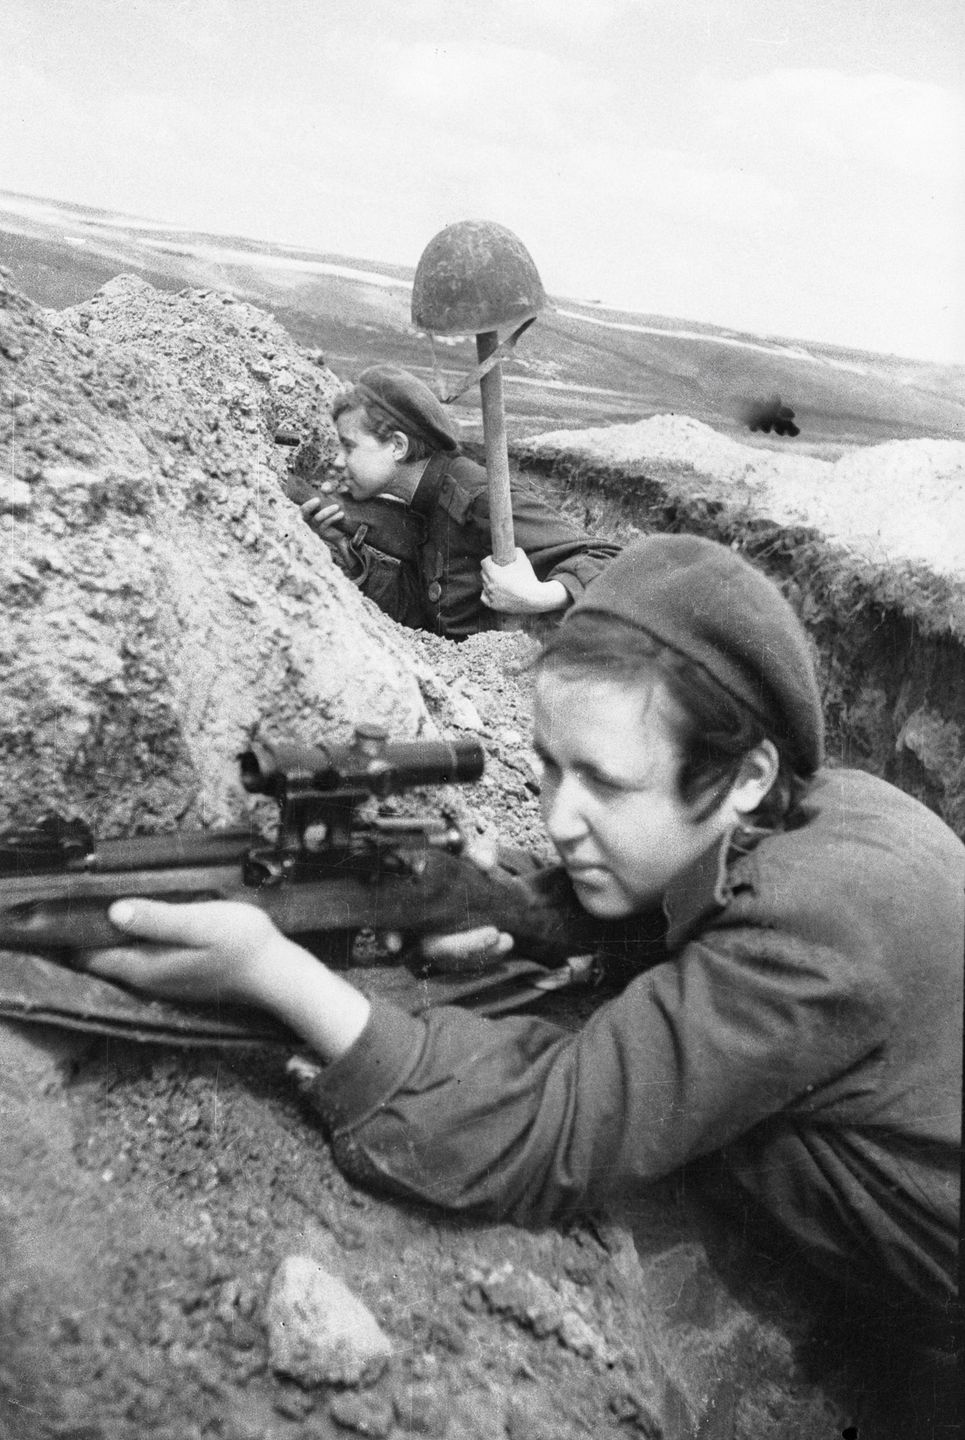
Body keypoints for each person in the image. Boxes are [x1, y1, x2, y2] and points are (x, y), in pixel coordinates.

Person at [82, 535, 963, 1353]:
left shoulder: (813, 925)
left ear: (747, 776)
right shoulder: (826, 806)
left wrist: (273, 975)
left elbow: (546, 1136)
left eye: (605, 786)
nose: (556, 816)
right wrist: (517, 904)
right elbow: (687, 907)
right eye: (548, 765)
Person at [300, 363, 621, 640]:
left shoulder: (475, 496)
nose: (340, 462)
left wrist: (537, 597)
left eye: (349, 447)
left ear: (397, 446)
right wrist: (348, 553)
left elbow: (613, 561)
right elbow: (427, 620)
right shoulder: (425, 505)